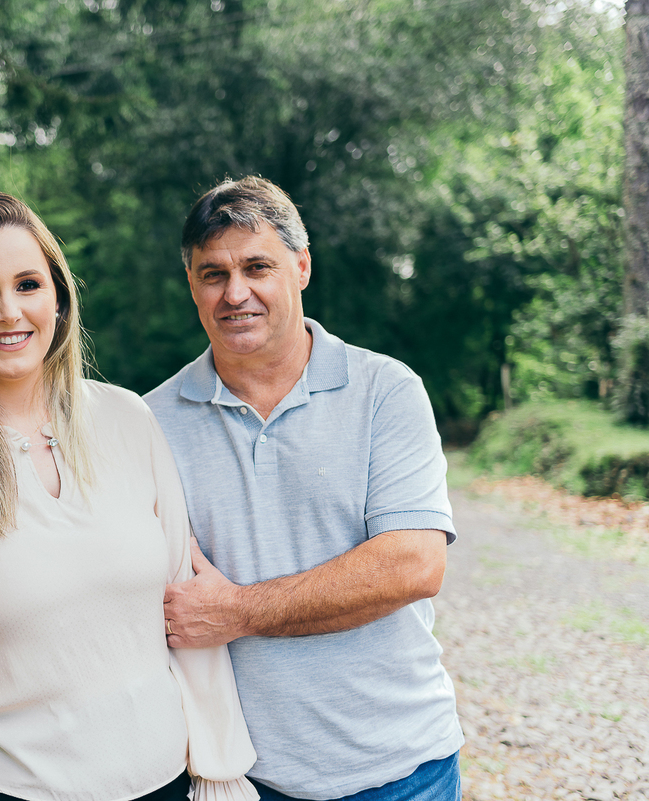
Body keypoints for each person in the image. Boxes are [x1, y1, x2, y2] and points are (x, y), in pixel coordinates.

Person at [0, 191, 259, 801]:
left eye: (27, 284)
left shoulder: (126, 419)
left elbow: (183, 605)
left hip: (159, 784)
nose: (9, 311)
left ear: (58, 298)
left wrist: (218, 770)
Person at [144, 175, 463, 801]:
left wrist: (235, 611)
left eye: (257, 267)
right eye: (212, 274)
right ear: (192, 285)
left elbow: (414, 564)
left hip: (401, 770)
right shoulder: (153, 420)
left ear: (301, 267)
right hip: (241, 777)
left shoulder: (385, 391)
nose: (236, 293)